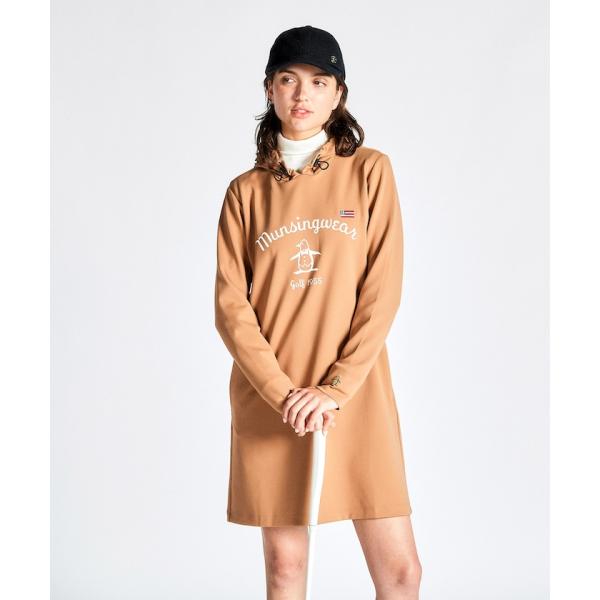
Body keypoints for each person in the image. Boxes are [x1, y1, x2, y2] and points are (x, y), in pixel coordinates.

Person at [214, 25, 422, 599]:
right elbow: (231, 308)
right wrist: (284, 394)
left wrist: (334, 389)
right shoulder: (245, 192)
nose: (302, 93)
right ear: (270, 90)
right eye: (288, 79)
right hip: (273, 400)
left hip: (354, 392)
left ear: (338, 95)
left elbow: (382, 289)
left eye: (318, 81)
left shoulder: (370, 171)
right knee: (285, 569)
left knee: (401, 572)